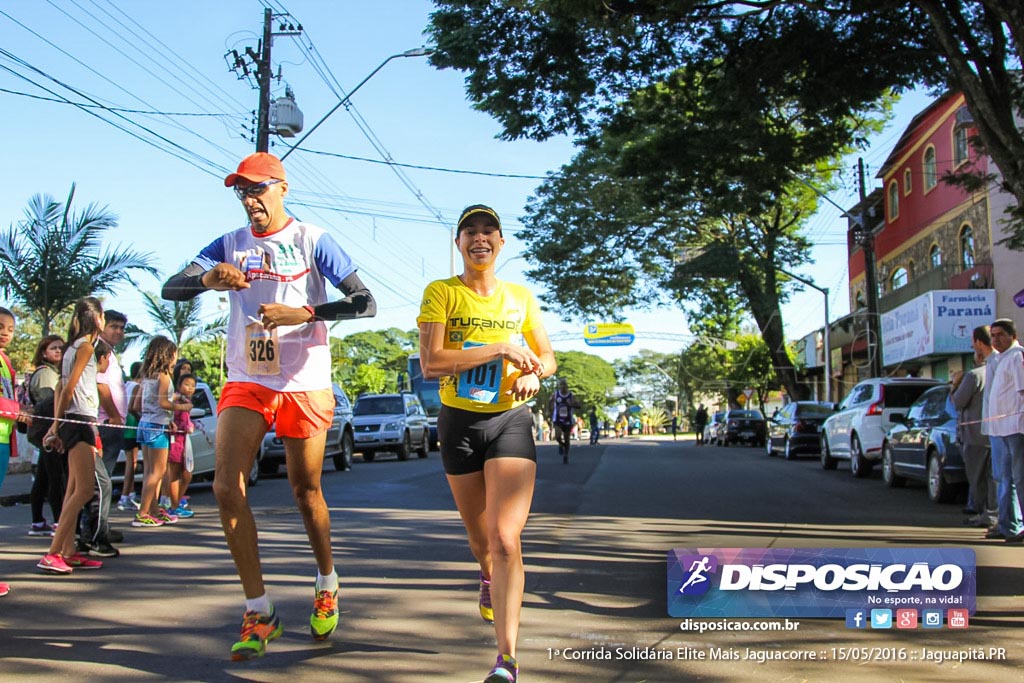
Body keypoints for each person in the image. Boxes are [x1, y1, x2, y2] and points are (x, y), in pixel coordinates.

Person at [161, 151, 377, 660]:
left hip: (305, 380)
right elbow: (173, 286)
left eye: (258, 189)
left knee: (306, 492)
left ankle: (326, 580)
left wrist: (301, 311)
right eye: (242, 191)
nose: (250, 200)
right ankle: (260, 610)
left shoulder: (312, 240)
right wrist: (209, 280)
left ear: (283, 188)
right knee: (224, 486)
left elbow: (365, 301)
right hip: (248, 376)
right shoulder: (229, 244)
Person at [418, 203, 556, 683]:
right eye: (469, 232)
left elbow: (547, 357)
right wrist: (499, 347)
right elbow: (432, 363)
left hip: (510, 421)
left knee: (505, 538)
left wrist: (535, 378)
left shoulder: (520, 297)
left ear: (501, 244)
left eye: (488, 231)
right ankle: (486, 576)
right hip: (458, 423)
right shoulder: (442, 294)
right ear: (459, 244)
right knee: (481, 542)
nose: (480, 238)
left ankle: (507, 659)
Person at [38, 298, 106, 574]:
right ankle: (53, 552)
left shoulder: (71, 348)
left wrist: (58, 424)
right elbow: (66, 390)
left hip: (77, 420)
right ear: (96, 318)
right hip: (79, 421)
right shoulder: (86, 347)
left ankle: (68, 550)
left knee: (73, 490)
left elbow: (61, 389)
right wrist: (55, 426)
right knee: (86, 490)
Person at [83, 309, 129, 558]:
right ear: (101, 327)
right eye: (113, 326)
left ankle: (99, 527)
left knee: (103, 481)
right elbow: (101, 386)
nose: (118, 332)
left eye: (121, 328)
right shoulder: (97, 350)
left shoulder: (110, 353)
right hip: (103, 423)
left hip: (113, 425)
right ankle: (93, 534)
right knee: (100, 484)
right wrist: (112, 415)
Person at [131, 336, 190, 528]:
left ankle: (153, 510)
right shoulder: (164, 376)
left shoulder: (147, 377)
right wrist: (182, 407)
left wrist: (167, 418)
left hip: (146, 424)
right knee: (158, 471)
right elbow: (164, 403)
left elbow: (137, 404)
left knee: (149, 470)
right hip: (157, 427)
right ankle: (143, 512)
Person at [951, 325, 997, 529]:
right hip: (996, 433)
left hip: (975, 436)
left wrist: (954, 385)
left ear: (979, 343)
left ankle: (985, 515)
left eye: (973, 341)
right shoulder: (997, 368)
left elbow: (958, 402)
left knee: (977, 479)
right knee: (994, 479)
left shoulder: (974, 375)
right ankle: (994, 514)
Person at [0, 308, 32, 592]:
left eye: (10, 328)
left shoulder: (5, 361)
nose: (5, 333)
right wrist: (16, 410)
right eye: (0, 327)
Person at [983, 319, 1024, 542]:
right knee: (1007, 479)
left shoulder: (1017, 357)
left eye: (1000, 335)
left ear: (1012, 335)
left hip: (1016, 428)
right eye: (993, 335)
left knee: (1020, 478)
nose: (995, 339)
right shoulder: (1001, 359)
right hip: (1002, 430)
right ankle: (1009, 526)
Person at [27, 335, 65, 537]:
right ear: (44, 353)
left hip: (44, 430)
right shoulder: (45, 374)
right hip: (48, 430)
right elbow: (50, 404)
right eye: (54, 348)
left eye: (61, 348)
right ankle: (59, 520)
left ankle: (38, 521)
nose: (59, 351)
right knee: (55, 477)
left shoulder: (52, 373)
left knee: (42, 477)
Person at [165, 372, 197, 518]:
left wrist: (190, 426)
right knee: (174, 473)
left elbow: (186, 420)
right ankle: (173, 506)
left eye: (192, 385)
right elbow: (168, 411)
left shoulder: (187, 401)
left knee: (187, 474)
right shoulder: (176, 399)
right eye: (186, 384)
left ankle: (176, 502)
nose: (190, 388)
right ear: (178, 385)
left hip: (184, 440)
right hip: (175, 439)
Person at [118, 361, 143, 511]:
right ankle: (125, 495)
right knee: (131, 463)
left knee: (131, 461)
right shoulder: (137, 387)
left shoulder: (126, 385)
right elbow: (133, 407)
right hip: (132, 428)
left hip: (125, 426)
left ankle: (131, 493)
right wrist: (141, 418)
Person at [548, 378, 578, 464]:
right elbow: (549, 402)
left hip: (568, 419)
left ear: (566, 386)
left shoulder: (571, 395)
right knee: (557, 436)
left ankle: (566, 455)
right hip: (557, 419)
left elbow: (578, 405)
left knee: (567, 438)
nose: (562, 387)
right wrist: (549, 409)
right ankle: (561, 444)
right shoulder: (555, 394)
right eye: (561, 385)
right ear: (559, 386)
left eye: (564, 385)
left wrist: (572, 404)